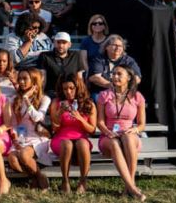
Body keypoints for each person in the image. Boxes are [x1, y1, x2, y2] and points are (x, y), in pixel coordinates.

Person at [96, 65, 147, 201]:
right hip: (108, 137)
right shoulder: (104, 95)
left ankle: (128, 186)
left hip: (130, 136)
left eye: (119, 74)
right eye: (113, 74)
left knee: (128, 137)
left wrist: (135, 129)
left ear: (129, 77)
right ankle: (132, 188)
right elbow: (100, 122)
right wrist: (108, 132)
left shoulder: (137, 96)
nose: (115, 77)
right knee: (114, 142)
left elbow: (142, 124)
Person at [49, 74, 96, 195]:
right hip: (61, 139)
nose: (68, 92)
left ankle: (83, 181)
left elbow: (92, 130)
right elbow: (54, 129)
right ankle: (65, 180)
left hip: (81, 139)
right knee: (67, 144)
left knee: (82, 143)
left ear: (78, 87)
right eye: (65, 89)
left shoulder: (88, 104)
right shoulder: (57, 102)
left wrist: (80, 118)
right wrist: (59, 113)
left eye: (71, 88)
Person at [6, 68, 51, 191]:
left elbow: (38, 118)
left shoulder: (44, 99)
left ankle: (39, 179)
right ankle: (36, 177)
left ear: (34, 81)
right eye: (20, 78)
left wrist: (26, 99)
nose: (21, 81)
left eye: (25, 79)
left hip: (37, 137)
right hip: (20, 137)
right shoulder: (14, 99)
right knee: (13, 160)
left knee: (25, 156)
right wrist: (15, 139)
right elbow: (13, 124)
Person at [38, 32, 87, 96]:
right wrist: (40, 94)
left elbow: (79, 77)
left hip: (71, 92)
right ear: (54, 43)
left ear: (69, 44)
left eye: (64, 43)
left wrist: (81, 93)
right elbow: (43, 78)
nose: (61, 45)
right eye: (58, 42)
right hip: (52, 92)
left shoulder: (76, 55)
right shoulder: (45, 56)